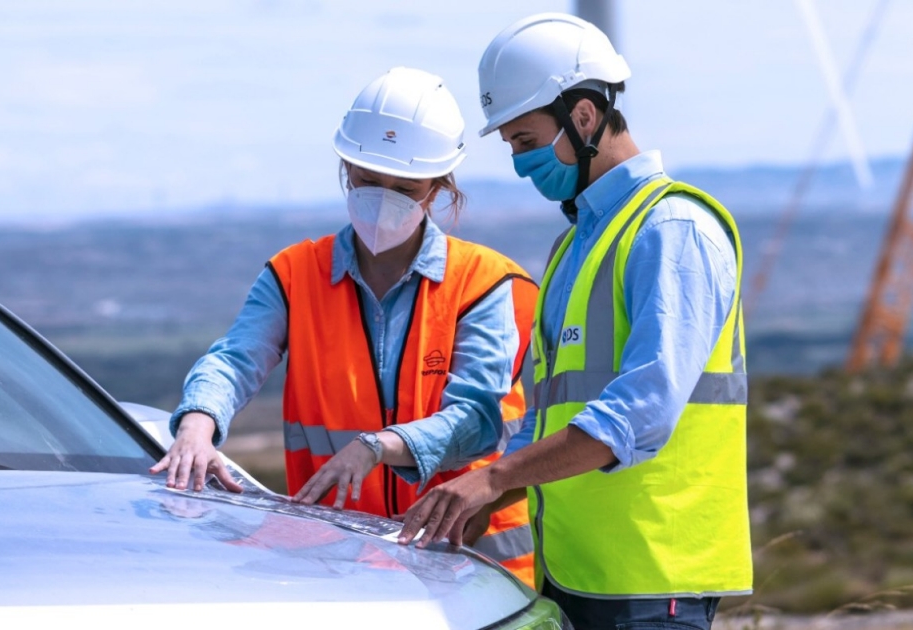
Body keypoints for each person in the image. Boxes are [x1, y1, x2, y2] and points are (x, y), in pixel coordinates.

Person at [398, 14, 751, 629]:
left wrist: (491, 481)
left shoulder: (671, 231)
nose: (518, 163)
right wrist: (497, 493)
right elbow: (551, 414)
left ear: (583, 116)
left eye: (526, 142)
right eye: (510, 145)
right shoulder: (577, 246)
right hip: (577, 576)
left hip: (653, 584)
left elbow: (641, 412)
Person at [149, 66, 538, 586]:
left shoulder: (486, 283)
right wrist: (198, 423)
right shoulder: (294, 276)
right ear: (345, 167)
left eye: (405, 186)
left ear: (439, 188)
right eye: (369, 178)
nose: (383, 196)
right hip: (341, 565)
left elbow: (476, 419)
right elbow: (236, 359)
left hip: (470, 566)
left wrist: (379, 446)